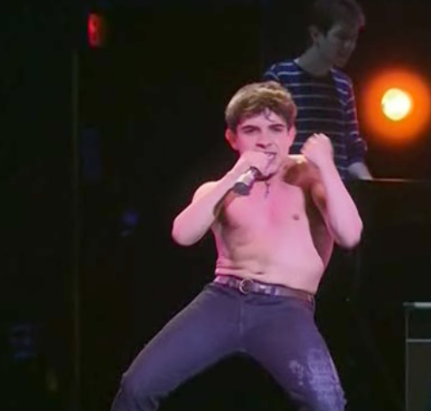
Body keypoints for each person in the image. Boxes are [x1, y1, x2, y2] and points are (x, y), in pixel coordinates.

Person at [109, 80, 363, 411]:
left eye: (275, 129)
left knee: (327, 405)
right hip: (223, 301)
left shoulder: (309, 178)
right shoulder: (220, 188)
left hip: (285, 309)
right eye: (251, 130)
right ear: (233, 138)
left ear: (291, 134)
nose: (265, 140)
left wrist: (326, 164)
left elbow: (349, 234)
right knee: (136, 387)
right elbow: (183, 235)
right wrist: (236, 174)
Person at [263, 0, 373, 182]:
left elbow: (352, 151)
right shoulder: (280, 77)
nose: (348, 46)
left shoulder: (344, 85)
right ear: (316, 34)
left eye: (353, 39)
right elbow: (269, 143)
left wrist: (372, 186)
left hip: (334, 191)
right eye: (341, 37)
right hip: (291, 189)